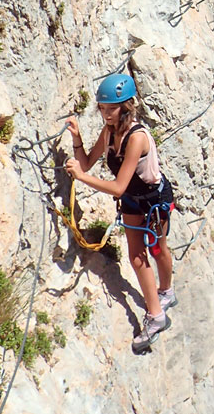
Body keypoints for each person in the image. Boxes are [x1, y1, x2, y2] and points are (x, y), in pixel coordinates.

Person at [64, 74, 178, 352]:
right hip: (132, 199)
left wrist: (80, 177)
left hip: (153, 200)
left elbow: (116, 186)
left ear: (126, 107)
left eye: (112, 109)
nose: (106, 114)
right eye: (102, 108)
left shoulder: (137, 138)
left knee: (158, 249)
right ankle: (157, 315)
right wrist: (77, 139)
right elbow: (86, 163)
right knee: (137, 257)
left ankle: (166, 292)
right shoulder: (109, 132)